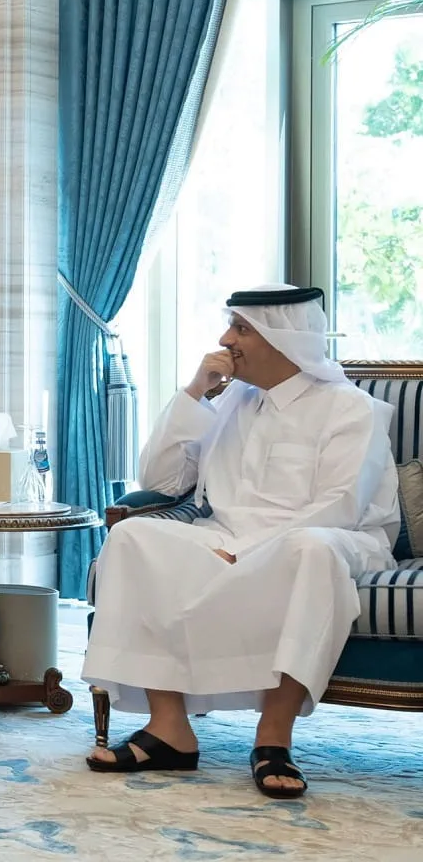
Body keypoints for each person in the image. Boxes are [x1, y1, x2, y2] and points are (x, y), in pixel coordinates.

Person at [83, 284, 398, 799]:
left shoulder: (349, 408)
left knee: (309, 551)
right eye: (230, 326)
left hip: (337, 539)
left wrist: (249, 552)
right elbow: (160, 482)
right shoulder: (231, 400)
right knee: (134, 535)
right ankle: (170, 730)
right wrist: (192, 392)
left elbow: (342, 504)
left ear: (283, 338)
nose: (226, 339)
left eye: (241, 329)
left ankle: (274, 738)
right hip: (225, 536)